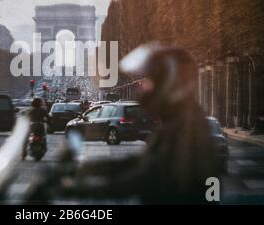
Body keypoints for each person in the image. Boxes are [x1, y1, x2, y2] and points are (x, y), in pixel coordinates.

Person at [55, 43, 220, 204]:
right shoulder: (180, 121)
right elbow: (144, 162)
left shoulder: (185, 129)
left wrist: (71, 189)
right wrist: (86, 168)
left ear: (170, 83)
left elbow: (145, 178)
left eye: (150, 81)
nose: (143, 87)